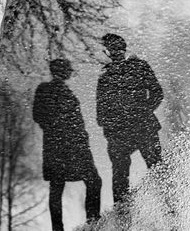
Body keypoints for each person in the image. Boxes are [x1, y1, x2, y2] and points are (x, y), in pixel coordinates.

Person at [33, 59, 102, 231]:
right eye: (67, 70)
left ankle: (92, 223)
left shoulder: (66, 92)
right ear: (61, 71)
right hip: (60, 144)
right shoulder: (45, 89)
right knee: (58, 184)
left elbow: (76, 122)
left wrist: (81, 138)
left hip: (75, 145)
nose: (69, 73)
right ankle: (67, 227)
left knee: (90, 181)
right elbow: (39, 115)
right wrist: (59, 130)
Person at [96, 33, 163, 204]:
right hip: (125, 132)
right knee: (121, 176)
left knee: (157, 169)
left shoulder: (137, 67)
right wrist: (113, 128)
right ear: (108, 52)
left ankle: (172, 211)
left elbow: (157, 92)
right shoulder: (106, 77)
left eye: (116, 48)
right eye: (112, 49)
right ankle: (123, 216)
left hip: (140, 127)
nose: (115, 52)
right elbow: (101, 114)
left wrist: (142, 113)